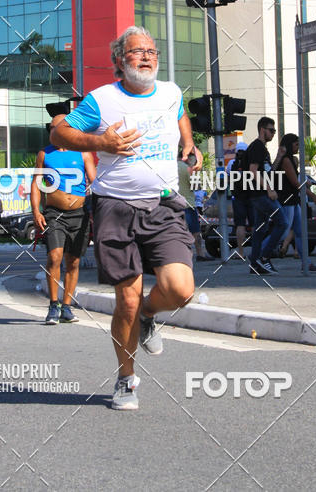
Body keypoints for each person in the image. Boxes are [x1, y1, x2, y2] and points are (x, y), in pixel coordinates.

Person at [51, 25, 202, 410]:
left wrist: (189, 143)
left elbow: (181, 116)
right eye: (137, 52)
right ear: (120, 60)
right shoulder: (102, 100)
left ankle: (151, 315)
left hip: (163, 204)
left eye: (151, 50)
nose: (147, 56)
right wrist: (101, 142)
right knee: (127, 301)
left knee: (181, 290)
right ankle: (126, 380)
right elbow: (59, 133)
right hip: (114, 207)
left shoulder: (171, 92)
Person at [31, 114, 96, 324]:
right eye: (50, 128)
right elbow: (36, 183)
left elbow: (95, 181)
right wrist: (36, 211)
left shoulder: (83, 153)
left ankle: (66, 307)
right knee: (55, 256)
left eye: (56, 127)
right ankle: (53, 305)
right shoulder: (44, 154)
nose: (52, 131)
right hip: (53, 214)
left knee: (74, 261)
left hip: (79, 214)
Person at [262, 134, 316, 272]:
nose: (298, 148)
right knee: (283, 232)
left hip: (293, 200)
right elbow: (296, 183)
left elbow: (296, 180)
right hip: (286, 200)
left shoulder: (291, 160)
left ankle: (306, 263)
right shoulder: (286, 161)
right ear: (289, 145)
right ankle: (259, 253)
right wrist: (312, 195)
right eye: (296, 145)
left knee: (300, 232)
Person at [246, 117, 288, 275]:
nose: (273, 133)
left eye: (274, 131)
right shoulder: (257, 147)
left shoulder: (262, 149)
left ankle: (255, 264)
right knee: (282, 222)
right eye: (271, 130)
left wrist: (278, 156)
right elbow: (253, 171)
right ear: (262, 129)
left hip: (259, 194)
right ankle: (263, 257)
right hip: (260, 194)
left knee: (259, 230)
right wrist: (269, 189)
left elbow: (267, 172)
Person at [227, 141, 252, 261]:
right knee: (255, 225)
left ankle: (241, 252)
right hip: (251, 197)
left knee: (240, 225)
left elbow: (228, 179)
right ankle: (256, 251)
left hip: (237, 198)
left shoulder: (232, 163)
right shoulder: (250, 163)